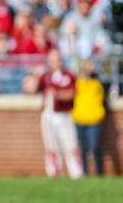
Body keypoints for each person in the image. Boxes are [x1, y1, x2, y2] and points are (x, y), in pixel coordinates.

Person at [24, 49, 83, 179]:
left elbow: (72, 93)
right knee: (51, 147)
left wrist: (57, 94)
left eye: (58, 58)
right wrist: (33, 76)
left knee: (70, 146)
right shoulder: (45, 76)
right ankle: (54, 173)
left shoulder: (68, 75)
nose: (56, 62)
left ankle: (76, 174)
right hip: (49, 115)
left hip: (64, 114)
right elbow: (31, 90)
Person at [71, 60, 105, 176]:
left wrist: (100, 113)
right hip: (80, 119)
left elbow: (102, 100)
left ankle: (99, 173)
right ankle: (84, 172)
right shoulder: (77, 83)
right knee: (83, 148)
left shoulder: (97, 83)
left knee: (94, 147)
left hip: (94, 120)